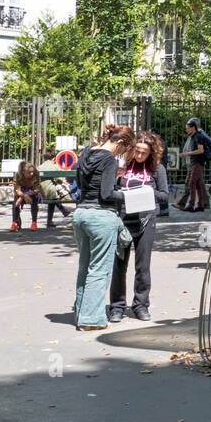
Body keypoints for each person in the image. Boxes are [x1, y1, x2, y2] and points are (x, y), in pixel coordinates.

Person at [72, 124, 135, 331]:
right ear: (119, 143)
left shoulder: (86, 153)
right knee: (99, 270)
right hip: (101, 216)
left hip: (81, 214)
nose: (121, 154)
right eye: (123, 150)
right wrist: (128, 195)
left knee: (84, 267)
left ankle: (81, 313)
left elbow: (80, 187)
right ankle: (91, 320)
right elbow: (107, 193)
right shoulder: (108, 159)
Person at [109, 132, 161, 323]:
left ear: (151, 154)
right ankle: (116, 306)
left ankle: (140, 305)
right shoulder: (121, 167)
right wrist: (123, 194)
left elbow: (164, 196)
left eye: (144, 153)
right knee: (119, 265)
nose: (139, 156)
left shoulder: (156, 170)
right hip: (123, 220)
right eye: (137, 151)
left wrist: (147, 193)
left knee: (143, 266)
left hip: (146, 220)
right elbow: (109, 191)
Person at [174, 117, 211, 213]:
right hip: (192, 163)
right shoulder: (192, 136)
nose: (186, 129)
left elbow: (200, 150)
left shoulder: (198, 135)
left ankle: (190, 205)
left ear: (194, 126)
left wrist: (187, 154)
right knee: (198, 184)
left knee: (191, 183)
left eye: (187, 127)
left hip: (196, 163)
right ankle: (202, 205)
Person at [38, 148, 74, 228]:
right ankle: (61, 212)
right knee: (53, 195)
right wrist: (64, 182)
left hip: (40, 191)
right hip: (50, 191)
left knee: (53, 197)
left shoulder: (39, 167)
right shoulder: (54, 167)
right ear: (54, 158)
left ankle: (60, 212)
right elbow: (59, 178)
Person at [10, 162, 42, 231]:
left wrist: (26, 195)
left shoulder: (36, 174)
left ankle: (34, 222)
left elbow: (37, 189)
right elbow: (16, 189)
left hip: (32, 193)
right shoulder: (18, 175)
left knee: (34, 198)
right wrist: (23, 196)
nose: (31, 174)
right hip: (22, 193)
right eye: (29, 172)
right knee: (15, 200)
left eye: (32, 172)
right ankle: (14, 223)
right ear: (23, 172)